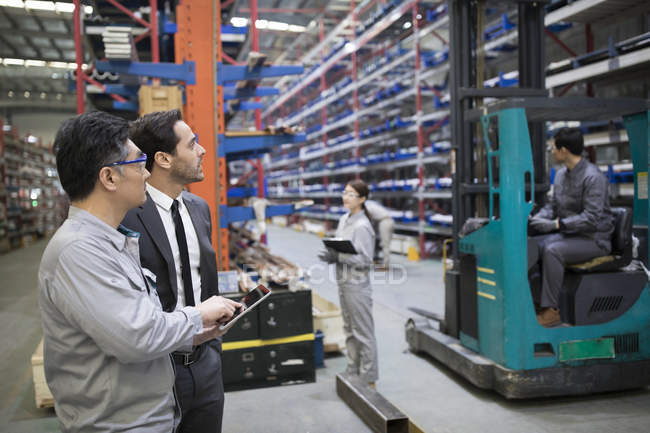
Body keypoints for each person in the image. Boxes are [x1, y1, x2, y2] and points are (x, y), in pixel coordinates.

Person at [38, 111, 241, 433]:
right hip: (120, 421)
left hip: (154, 405)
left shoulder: (111, 241)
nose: (145, 174)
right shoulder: (79, 251)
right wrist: (196, 316)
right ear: (109, 178)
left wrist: (198, 335)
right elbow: (137, 335)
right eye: (137, 164)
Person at [122, 109, 226, 433]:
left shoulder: (199, 209)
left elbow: (205, 279)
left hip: (206, 362)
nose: (202, 150)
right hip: (157, 368)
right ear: (164, 159)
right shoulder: (128, 216)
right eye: (192, 144)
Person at [528, 127, 614, 327]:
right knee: (531, 246)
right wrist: (537, 219)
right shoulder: (559, 176)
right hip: (570, 236)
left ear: (564, 150)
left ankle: (551, 311)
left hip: (594, 239)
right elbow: (553, 207)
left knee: (553, 250)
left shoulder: (593, 177)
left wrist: (556, 224)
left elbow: (591, 218)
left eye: (553, 148)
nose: (552, 152)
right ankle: (533, 303)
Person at [318, 179, 378, 386]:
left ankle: (368, 376)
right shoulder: (344, 220)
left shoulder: (363, 226)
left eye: (351, 194)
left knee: (363, 331)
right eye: (344, 192)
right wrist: (330, 253)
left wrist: (339, 258)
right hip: (343, 282)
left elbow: (365, 260)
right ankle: (353, 368)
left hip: (357, 285)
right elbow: (340, 247)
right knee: (349, 329)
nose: (345, 197)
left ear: (362, 199)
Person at [364, 199, 395, 267]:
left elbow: (367, 218)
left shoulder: (366, 206)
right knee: (375, 241)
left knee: (385, 244)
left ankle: (386, 265)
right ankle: (375, 259)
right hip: (379, 221)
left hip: (385, 221)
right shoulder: (370, 203)